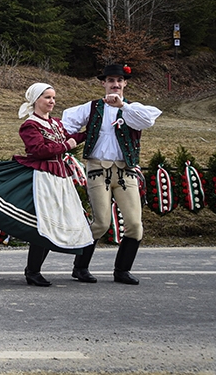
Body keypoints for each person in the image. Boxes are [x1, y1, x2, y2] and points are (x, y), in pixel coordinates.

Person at [0, 83, 94, 286]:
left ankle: (53, 269)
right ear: (36, 100)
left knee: (58, 224)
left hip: (60, 178)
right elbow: (39, 150)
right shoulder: (30, 125)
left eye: (53, 98)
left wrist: (88, 132)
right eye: (47, 97)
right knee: (43, 225)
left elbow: (68, 139)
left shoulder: (56, 123)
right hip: (43, 178)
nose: (52, 101)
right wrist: (66, 145)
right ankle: (33, 271)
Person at [61, 63, 161, 285]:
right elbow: (66, 125)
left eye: (119, 81)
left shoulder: (132, 109)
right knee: (101, 223)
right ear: (103, 83)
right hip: (98, 169)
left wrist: (122, 106)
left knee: (135, 225)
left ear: (125, 84)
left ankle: (122, 270)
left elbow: (147, 121)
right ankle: (80, 267)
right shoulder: (91, 107)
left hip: (126, 171)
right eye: (111, 80)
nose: (115, 84)